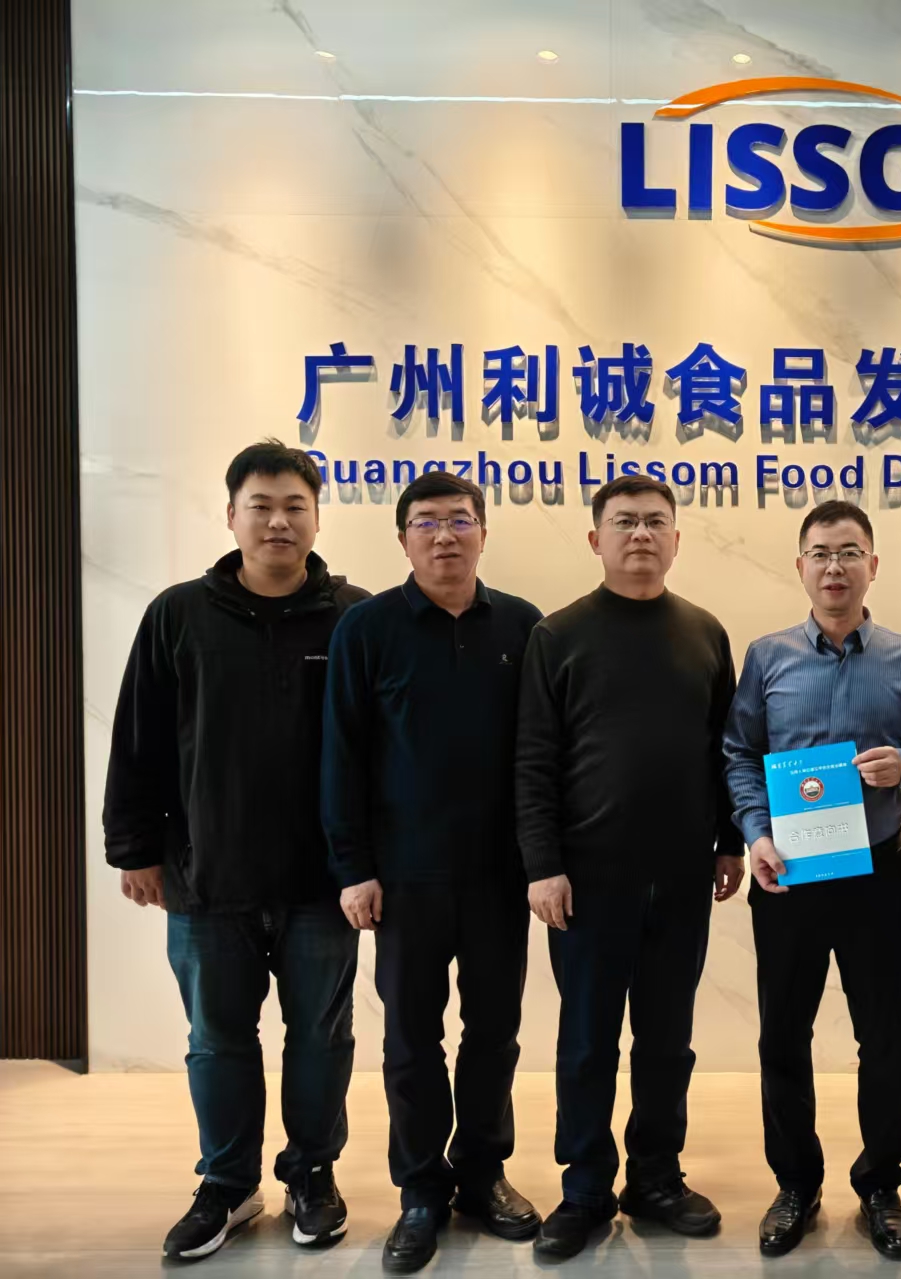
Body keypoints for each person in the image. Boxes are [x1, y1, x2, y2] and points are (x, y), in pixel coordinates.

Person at [102, 440, 368, 1262]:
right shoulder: (178, 614)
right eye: (261, 505)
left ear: (317, 518)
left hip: (323, 881)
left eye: (295, 506)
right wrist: (133, 847)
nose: (278, 521)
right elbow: (139, 738)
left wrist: (373, 861)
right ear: (231, 516)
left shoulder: (355, 616)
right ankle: (227, 1181)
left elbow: (381, 750)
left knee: (320, 1037)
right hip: (205, 875)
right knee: (217, 1038)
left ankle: (312, 1172)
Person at [515, 475, 745, 1260]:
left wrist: (729, 841)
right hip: (586, 881)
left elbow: (724, 751)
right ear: (596, 539)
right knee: (586, 1040)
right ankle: (584, 1186)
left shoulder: (705, 632)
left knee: (667, 1039)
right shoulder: (558, 635)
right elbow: (534, 760)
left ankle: (656, 1175)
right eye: (624, 522)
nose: (641, 534)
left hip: (682, 877)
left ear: (677, 539)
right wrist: (542, 864)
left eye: (655, 522)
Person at [321, 473, 543, 1274]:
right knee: (412, 1040)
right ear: (403, 537)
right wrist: (353, 867)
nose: (444, 535)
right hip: (404, 878)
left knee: (494, 1032)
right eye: (426, 522)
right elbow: (341, 754)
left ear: (483, 530)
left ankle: (482, 1173)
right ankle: (420, 1189)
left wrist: (542, 861)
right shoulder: (367, 627)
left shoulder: (523, 625)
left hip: (498, 875)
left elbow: (541, 754)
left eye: (459, 519)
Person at [724, 501, 901, 1260]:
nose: (834, 567)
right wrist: (755, 832)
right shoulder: (768, 656)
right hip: (790, 875)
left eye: (849, 552)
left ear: (872, 566)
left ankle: (880, 1184)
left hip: (878, 873)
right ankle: (796, 1183)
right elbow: (739, 751)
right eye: (820, 553)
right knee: (783, 1034)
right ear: (801, 567)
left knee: (884, 1038)